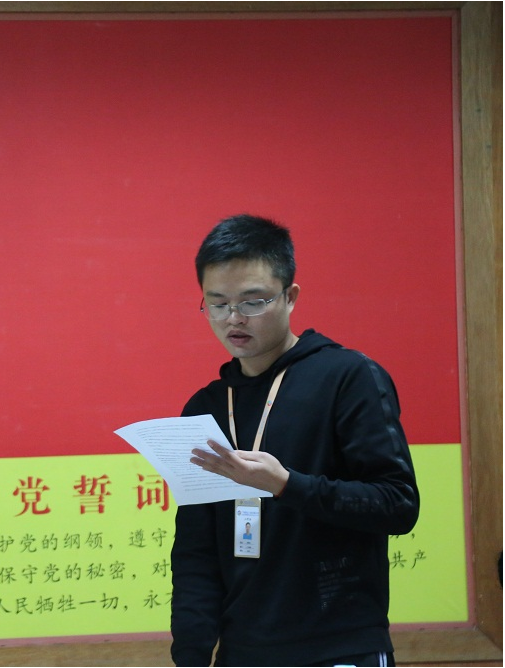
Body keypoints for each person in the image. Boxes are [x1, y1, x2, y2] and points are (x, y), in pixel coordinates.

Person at [170, 214, 420, 667]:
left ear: (290, 296)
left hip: (339, 647)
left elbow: (397, 504)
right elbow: (195, 552)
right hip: (242, 654)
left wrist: (287, 485)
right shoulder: (205, 409)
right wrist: (190, 656)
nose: (233, 318)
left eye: (253, 301)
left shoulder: (347, 377)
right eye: (218, 303)